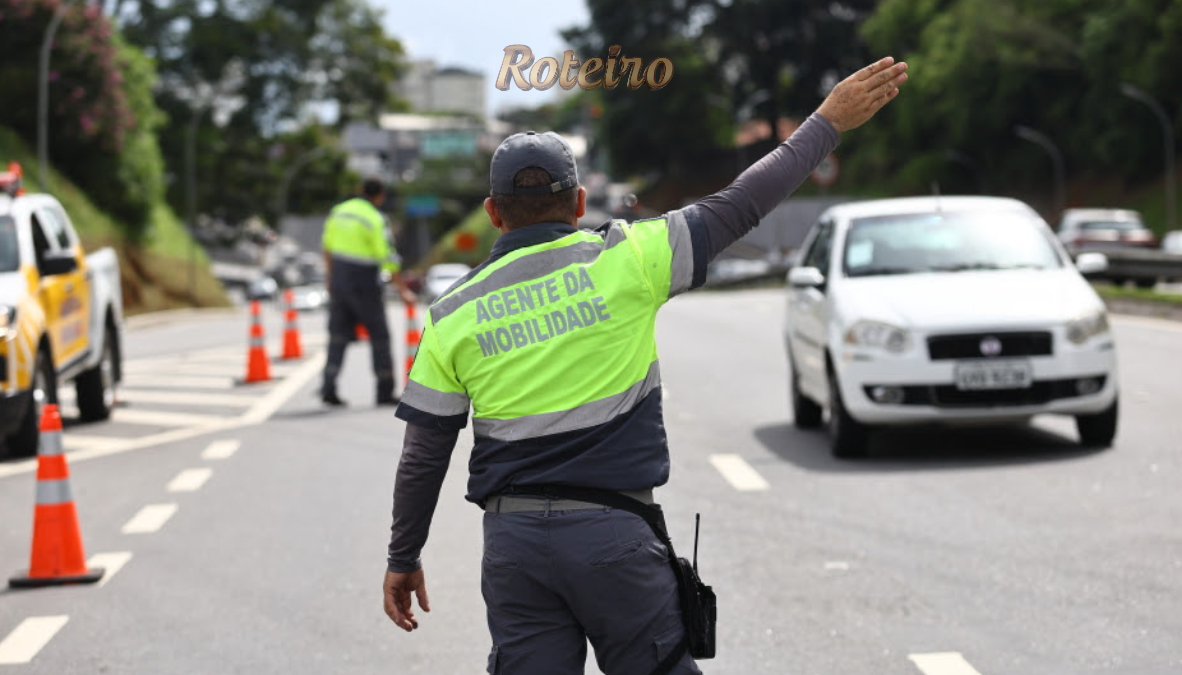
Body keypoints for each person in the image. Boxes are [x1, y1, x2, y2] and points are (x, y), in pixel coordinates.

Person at [382, 57, 909, 674]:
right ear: (579, 202)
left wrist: (403, 556)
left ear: (493, 214)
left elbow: (424, 454)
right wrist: (825, 122)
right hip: (614, 538)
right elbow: (744, 202)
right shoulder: (629, 257)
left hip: (513, 549)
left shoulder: (451, 313)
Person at [320, 176, 417, 406]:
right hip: (365, 284)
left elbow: (327, 248)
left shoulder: (339, 211)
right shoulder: (375, 218)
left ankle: (328, 388)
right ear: (380, 196)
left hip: (340, 282)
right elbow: (388, 258)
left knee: (337, 337)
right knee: (380, 338)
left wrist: (331, 279)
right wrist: (403, 290)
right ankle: (384, 391)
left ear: (359, 190)